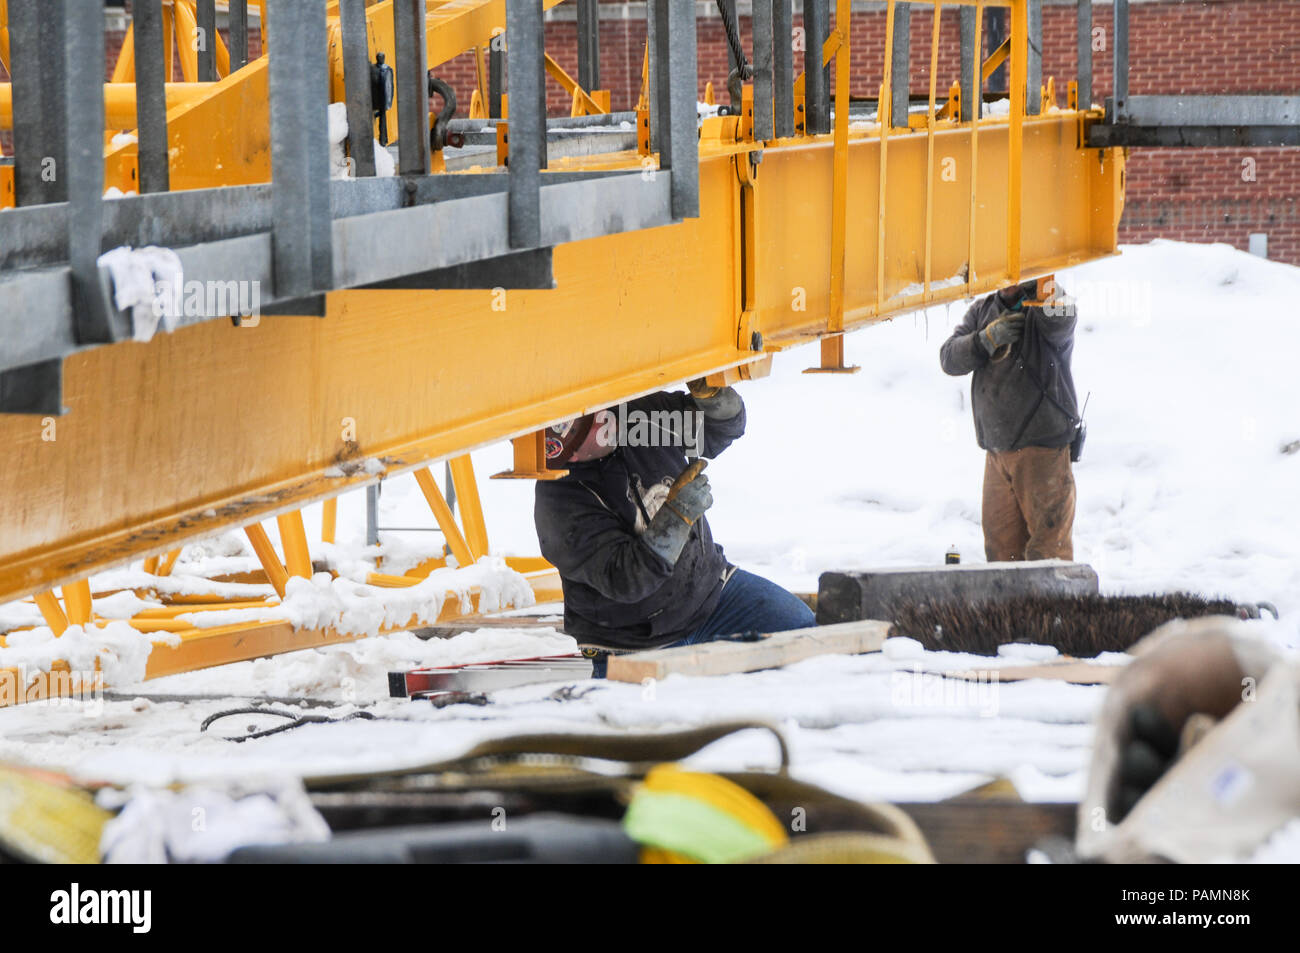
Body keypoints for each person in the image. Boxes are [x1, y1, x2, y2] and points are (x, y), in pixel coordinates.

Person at [534, 380, 814, 665]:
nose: (603, 418)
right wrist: (677, 516)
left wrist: (714, 397)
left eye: (595, 409)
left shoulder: (636, 418)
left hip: (711, 595)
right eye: (588, 424)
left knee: (807, 636)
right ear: (571, 454)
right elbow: (629, 579)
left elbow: (721, 429)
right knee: (658, 709)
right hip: (634, 642)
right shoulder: (560, 503)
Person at [939, 279, 1081, 562]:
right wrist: (983, 341)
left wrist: (1045, 286)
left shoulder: (1045, 303)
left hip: (1041, 450)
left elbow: (1063, 318)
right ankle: (1013, 607)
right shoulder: (983, 310)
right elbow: (949, 359)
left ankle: (1055, 606)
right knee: (1002, 551)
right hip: (997, 449)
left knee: (1048, 550)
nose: (1005, 282)